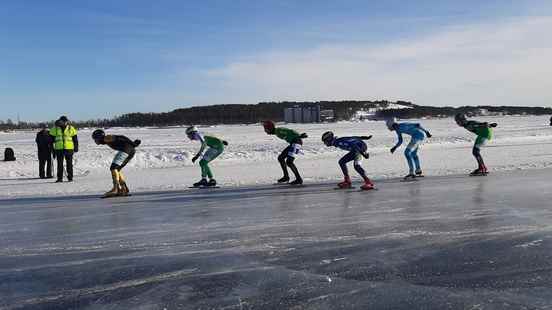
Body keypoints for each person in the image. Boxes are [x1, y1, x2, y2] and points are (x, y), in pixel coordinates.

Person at [92, 129, 141, 197]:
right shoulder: (105, 140)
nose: (95, 141)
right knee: (117, 169)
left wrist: (133, 143)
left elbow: (121, 137)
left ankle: (116, 189)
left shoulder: (106, 138)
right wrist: (132, 145)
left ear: (99, 137)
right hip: (130, 150)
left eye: (95, 139)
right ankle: (123, 188)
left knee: (113, 168)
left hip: (126, 149)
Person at [262, 120, 307, 185]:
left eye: (266, 129)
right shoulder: (277, 132)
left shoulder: (279, 130)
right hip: (293, 143)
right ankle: (286, 177)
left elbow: (291, 131)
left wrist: (299, 136)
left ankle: (299, 179)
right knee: (281, 158)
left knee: (289, 162)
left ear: (270, 128)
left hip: (296, 142)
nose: (265, 131)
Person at [49, 116, 78, 182]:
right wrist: (52, 150)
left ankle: (70, 178)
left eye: (66, 121)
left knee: (69, 164)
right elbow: (50, 141)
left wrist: (76, 147)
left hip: (69, 149)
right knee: (60, 164)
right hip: (59, 149)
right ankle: (59, 178)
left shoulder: (71, 128)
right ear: (60, 121)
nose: (65, 122)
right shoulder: (55, 129)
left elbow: (75, 139)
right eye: (63, 121)